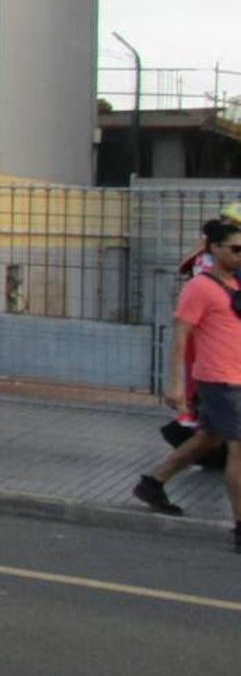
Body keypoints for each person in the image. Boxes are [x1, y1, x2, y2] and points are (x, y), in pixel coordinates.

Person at [134, 216, 241, 552]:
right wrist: (176, 385)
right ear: (214, 248)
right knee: (238, 452)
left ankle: (153, 483)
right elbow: (181, 338)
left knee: (208, 439)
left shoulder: (236, 284)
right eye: (236, 248)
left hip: (237, 377)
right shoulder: (199, 288)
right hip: (220, 381)